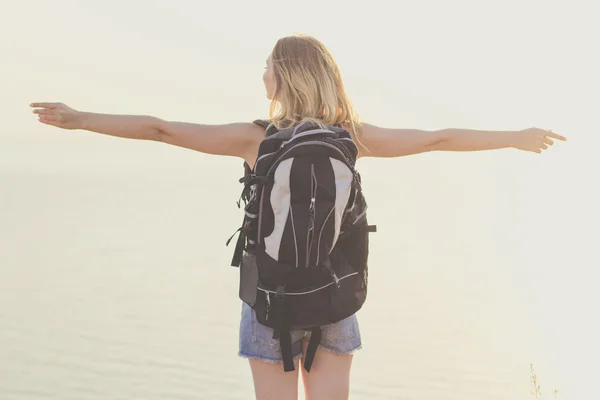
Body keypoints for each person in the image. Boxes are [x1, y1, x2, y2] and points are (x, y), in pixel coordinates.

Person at [30, 34, 566, 400]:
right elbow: (439, 139)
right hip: (335, 297)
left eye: (267, 65)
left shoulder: (255, 138)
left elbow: (161, 128)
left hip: (270, 299)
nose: (262, 73)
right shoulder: (353, 137)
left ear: (282, 75)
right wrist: (515, 138)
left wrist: (80, 120)